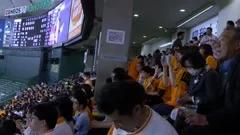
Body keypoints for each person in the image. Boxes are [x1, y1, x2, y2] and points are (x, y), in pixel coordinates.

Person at [179, 28, 240, 135]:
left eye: (222, 40)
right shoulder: (224, 68)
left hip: (231, 125)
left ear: (237, 44)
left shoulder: (216, 72)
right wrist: (191, 111)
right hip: (221, 118)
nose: (215, 43)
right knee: (182, 121)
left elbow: (236, 107)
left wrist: (207, 119)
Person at [94, 80, 178, 135]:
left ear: (137, 110)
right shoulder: (124, 121)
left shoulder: (164, 132)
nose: (116, 127)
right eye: (113, 121)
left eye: (118, 121)